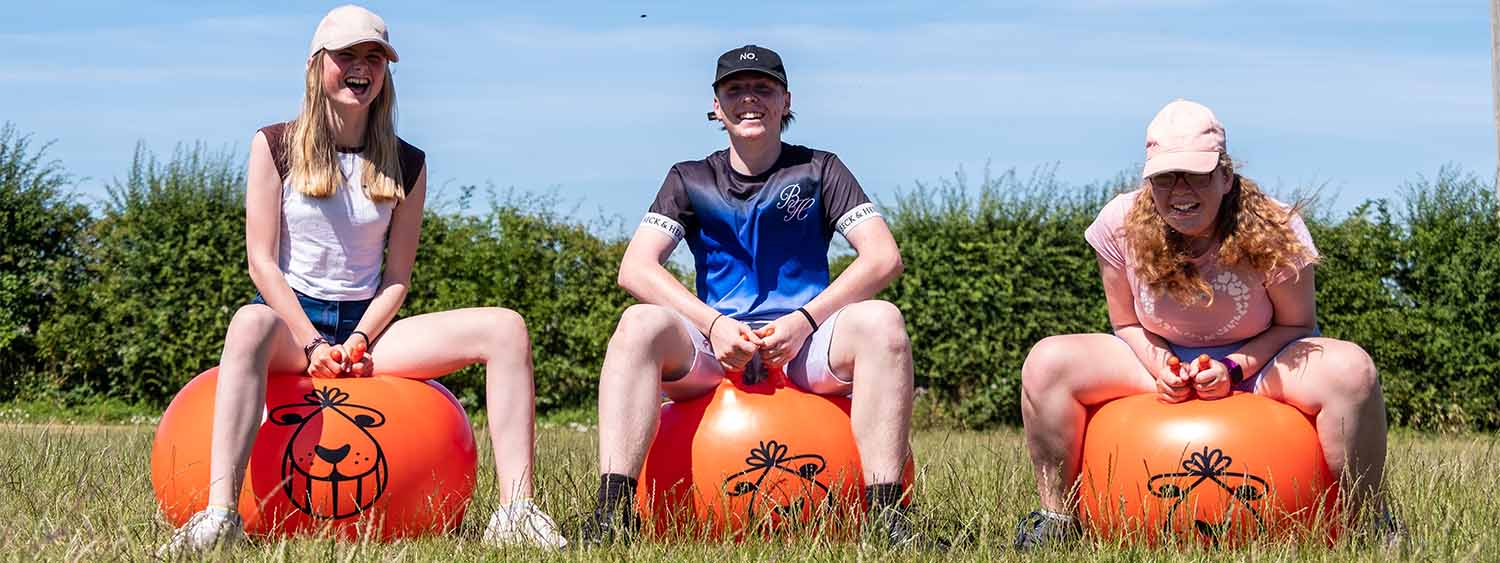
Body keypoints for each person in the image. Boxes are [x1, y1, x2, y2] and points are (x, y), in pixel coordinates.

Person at [159, 5, 564, 553]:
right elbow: (261, 262)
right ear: (315, 65)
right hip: (290, 323)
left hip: (366, 331)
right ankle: (221, 514)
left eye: (373, 57)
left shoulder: (408, 162)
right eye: (346, 56)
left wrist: (357, 340)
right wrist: (309, 341)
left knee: (506, 327)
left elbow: (397, 277)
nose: (361, 68)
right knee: (248, 322)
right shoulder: (273, 144)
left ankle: (516, 509)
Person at [1013, 99, 1397, 548]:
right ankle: (1057, 519)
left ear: (1225, 176)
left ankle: (1368, 525)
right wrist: (1164, 369)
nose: (1180, 190)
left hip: (1264, 362)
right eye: (1164, 177)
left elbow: (1297, 326)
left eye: (1196, 174)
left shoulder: (1276, 227)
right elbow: (1125, 324)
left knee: (1353, 371)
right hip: (1158, 361)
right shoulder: (1118, 223)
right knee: (1047, 362)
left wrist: (1234, 368)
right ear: (1149, 179)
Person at [581, 45, 921, 546]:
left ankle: (889, 520)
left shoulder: (821, 169)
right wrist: (714, 325)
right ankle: (613, 515)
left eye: (763, 89)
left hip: (806, 345)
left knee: (883, 321)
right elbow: (635, 267)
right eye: (735, 89)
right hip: (714, 349)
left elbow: (883, 257)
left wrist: (804, 320)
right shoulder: (688, 177)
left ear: (786, 100)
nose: (749, 100)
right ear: (715, 106)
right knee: (638, 324)